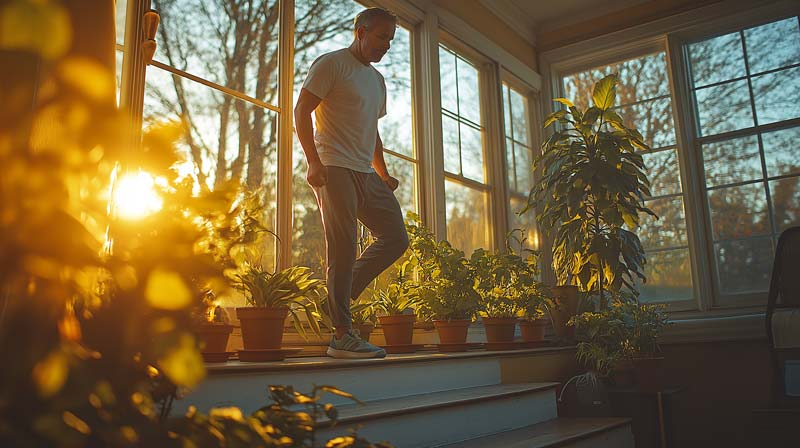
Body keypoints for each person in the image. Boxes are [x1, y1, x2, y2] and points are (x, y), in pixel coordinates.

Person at [294, 7, 409, 359]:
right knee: (342, 245)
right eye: (381, 37)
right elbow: (301, 111)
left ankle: (337, 299)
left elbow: (371, 131)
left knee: (395, 238)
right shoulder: (332, 64)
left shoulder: (377, 81)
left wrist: (383, 171)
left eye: (390, 40)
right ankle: (341, 334)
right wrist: (313, 161)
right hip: (333, 166)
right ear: (361, 32)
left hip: (364, 170)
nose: (386, 45)